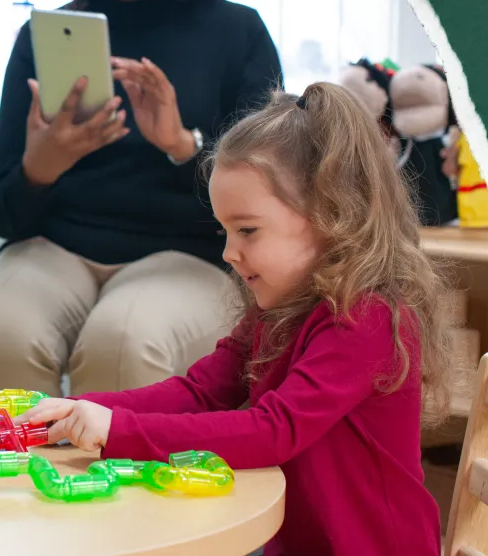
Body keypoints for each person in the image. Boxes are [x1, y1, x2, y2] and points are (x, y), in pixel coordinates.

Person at [25, 83, 450, 555]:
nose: (230, 252)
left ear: (332, 214)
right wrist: (81, 410)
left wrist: (117, 429)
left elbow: (274, 430)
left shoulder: (366, 316)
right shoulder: (280, 308)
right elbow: (199, 392)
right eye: (226, 231)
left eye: (247, 230)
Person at [0, 0, 281, 397]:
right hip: (55, 248)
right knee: (1, 333)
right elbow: (1, 214)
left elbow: (267, 201)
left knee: (122, 341)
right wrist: (41, 166)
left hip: (188, 254)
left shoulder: (238, 34)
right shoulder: (43, 38)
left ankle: (112, 481)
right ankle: (10, 481)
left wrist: (181, 146)